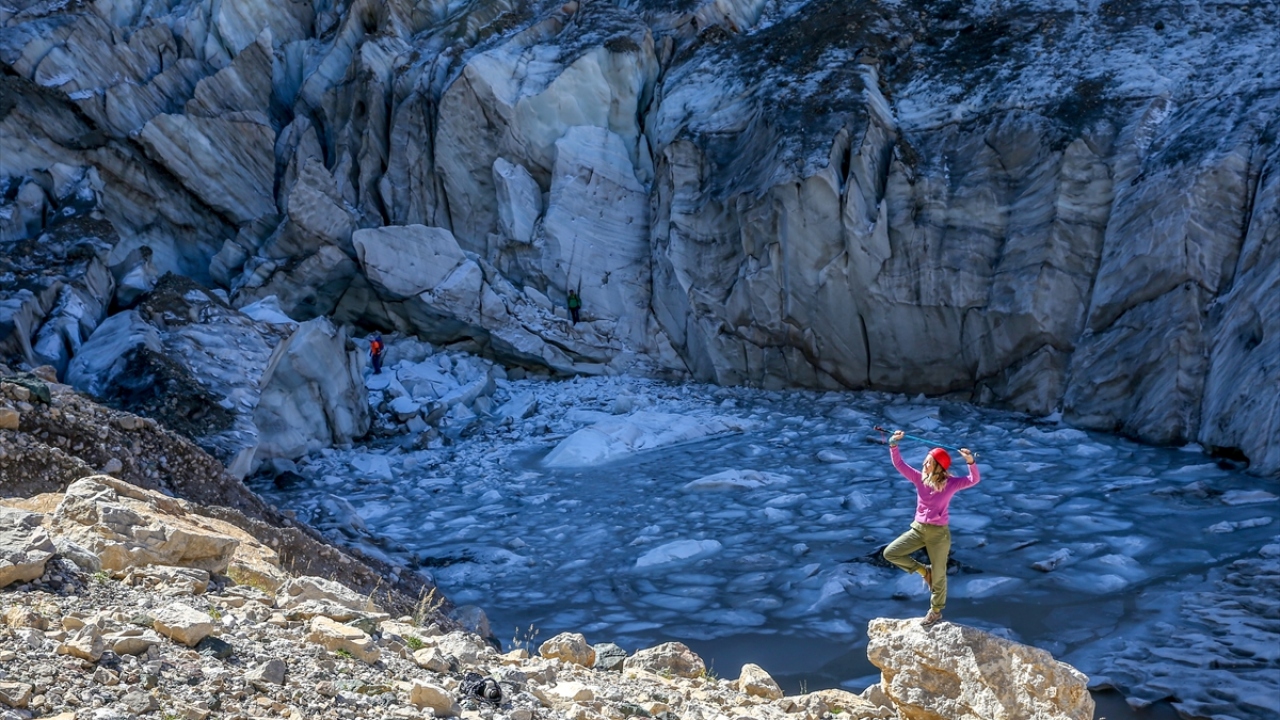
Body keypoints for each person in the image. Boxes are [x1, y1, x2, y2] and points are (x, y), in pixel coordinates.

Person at [882, 430, 979, 627]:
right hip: (917, 529)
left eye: (929, 462)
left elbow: (973, 480)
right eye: (925, 461)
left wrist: (970, 461)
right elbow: (900, 464)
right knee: (890, 553)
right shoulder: (919, 479)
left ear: (939, 467)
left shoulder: (951, 483)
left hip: (938, 534)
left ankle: (935, 611)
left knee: (940, 573)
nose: (924, 465)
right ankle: (923, 570)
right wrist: (893, 444)